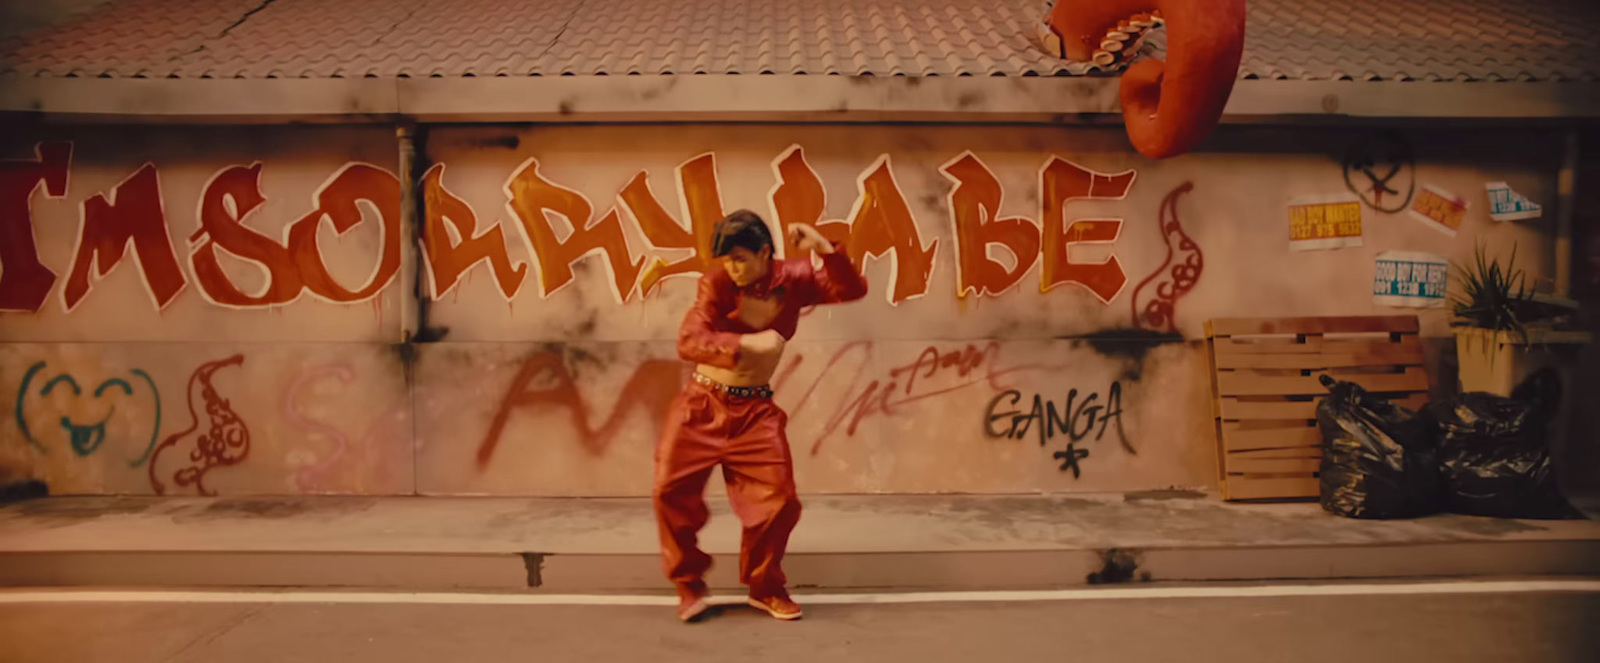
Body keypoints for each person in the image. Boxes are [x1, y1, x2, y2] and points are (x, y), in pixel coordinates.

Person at [654, 209, 868, 623]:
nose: (732, 268)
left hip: (754, 411)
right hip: (702, 405)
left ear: (765, 252)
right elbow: (690, 339)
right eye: (726, 259)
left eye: (740, 257)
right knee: (669, 492)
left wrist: (825, 249)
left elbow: (850, 289)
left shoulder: (795, 278)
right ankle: (688, 583)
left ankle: (764, 586)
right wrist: (747, 345)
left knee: (779, 502)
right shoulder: (715, 283)